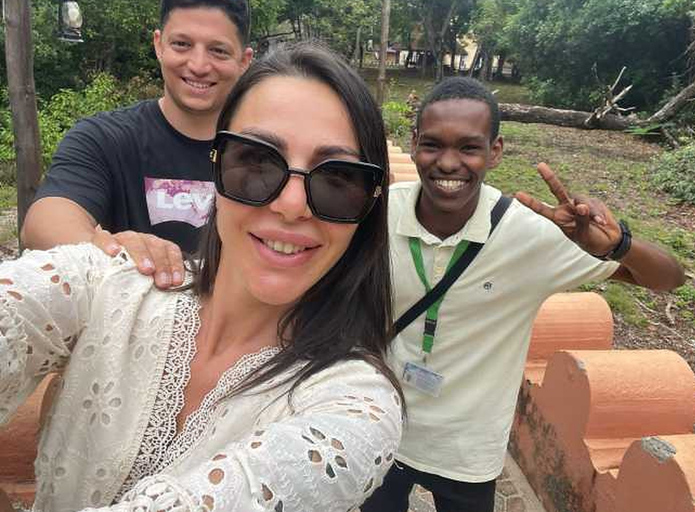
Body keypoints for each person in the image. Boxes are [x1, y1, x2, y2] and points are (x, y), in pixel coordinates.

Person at [0, 43, 402, 512]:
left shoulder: (353, 407)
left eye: (339, 179)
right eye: (257, 161)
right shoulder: (108, 285)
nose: (292, 205)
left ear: (370, 204)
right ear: (215, 164)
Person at [361, 77, 686, 512]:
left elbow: (668, 278)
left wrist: (617, 245)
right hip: (383, 426)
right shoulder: (381, 213)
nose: (448, 163)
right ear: (414, 142)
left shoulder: (531, 234)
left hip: (467, 448)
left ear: (495, 151)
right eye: (433, 145)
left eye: (469, 148)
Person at [21, 0, 254, 289]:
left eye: (218, 50)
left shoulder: (266, 155)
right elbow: (43, 222)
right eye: (182, 44)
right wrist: (113, 251)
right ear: (159, 45)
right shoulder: (102, 138)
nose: (198, 65)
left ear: (244, 61)